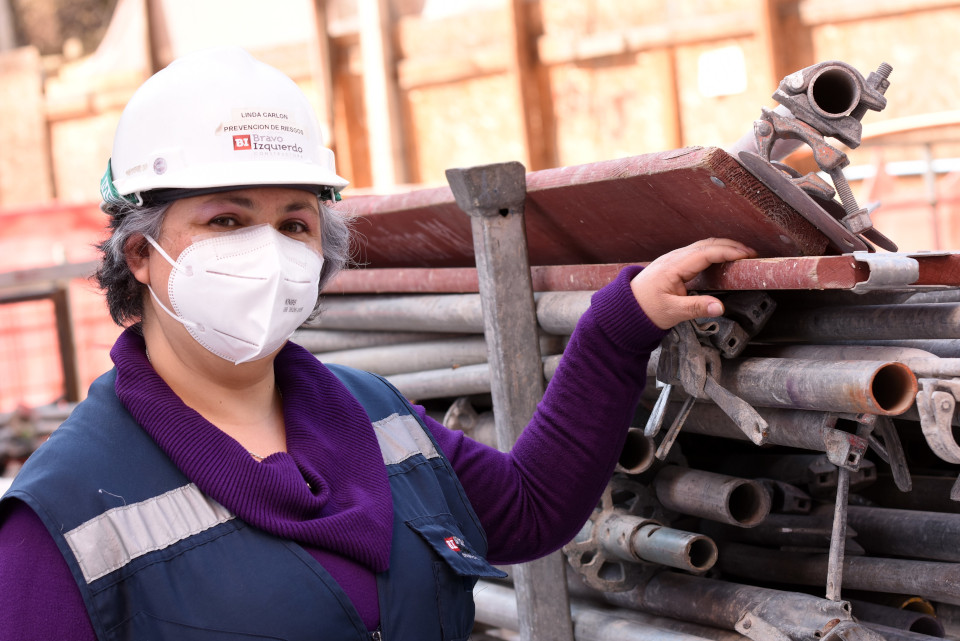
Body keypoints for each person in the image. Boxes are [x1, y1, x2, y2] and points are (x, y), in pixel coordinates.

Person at [0, 47, 755, 640]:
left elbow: (532, 509)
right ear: (140, 253)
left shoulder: (372, 415)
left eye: (294, 222)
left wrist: (620, 323)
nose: (267, 250)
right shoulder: (65, 515)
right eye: (226, 220)